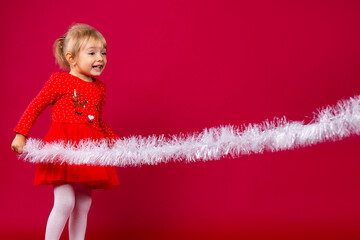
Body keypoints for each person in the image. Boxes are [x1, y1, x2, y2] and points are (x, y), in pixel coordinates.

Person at [11, 23, 119, 240]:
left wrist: (115, 140)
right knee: (65, 202)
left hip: (89, 149)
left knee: (84, 203)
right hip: (63, 148)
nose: (100, 58)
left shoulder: (100, 88)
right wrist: (21, 134)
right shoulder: (59, 81)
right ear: (71, 58)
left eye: (103, 52)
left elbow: (95, 120)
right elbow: (35, 106)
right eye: (92, 53)